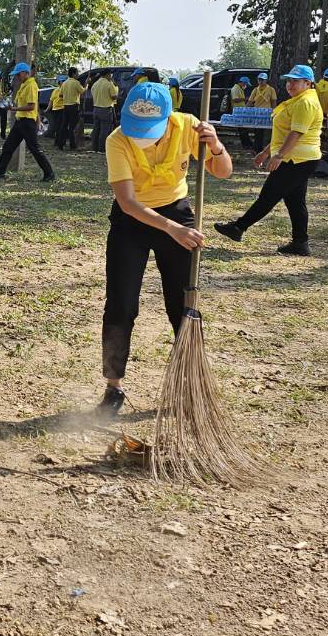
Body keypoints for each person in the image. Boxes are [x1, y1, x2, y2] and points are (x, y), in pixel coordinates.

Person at [96, 80, 232, 415]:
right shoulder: (117, 141)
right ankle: (113, 388)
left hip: (176, 211)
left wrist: (214, 145)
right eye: (136, 129)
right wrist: (170, 229)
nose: (141, 138)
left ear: (167, 118)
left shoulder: (188, 126)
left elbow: (223, 172)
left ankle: (190, 386)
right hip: (132, 222)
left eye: (149, 130)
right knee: (121, 305)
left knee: (183, 305)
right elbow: (127, 203)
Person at [214, 64, 323, 255]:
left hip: (296, 159)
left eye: (295, 81)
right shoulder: (299, 100)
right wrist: (266, 152)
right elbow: (283, 133)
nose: (290, 85)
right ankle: (300, 243)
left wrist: (279, 156)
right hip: (297, 158)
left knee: (269, 196)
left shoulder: (305, 103)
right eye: (288, 81)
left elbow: (296, 133)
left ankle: (239, 227)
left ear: (308, 83)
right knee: (295, 202)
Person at [0, 62, 55, 182]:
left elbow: (31, 106)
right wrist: (10, 105)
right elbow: (24, 104)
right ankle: (0, 172)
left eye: (18, 74)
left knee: (34, 148)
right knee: (8, 146)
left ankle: (49, 173)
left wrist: (14, 109)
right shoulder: (24, 85)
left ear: (25, 73)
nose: (17, 77)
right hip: (20, 121)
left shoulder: (31, 86)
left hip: (27, 122)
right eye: (16, 75)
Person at [89, 69, 118, 152]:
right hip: (106, 109)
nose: (111, 77)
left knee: (96, 130)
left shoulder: (95, 84)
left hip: (96, 109)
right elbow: (114, 97)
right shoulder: (109, 84)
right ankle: (101, 149)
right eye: (110, 75)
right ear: (108, 74)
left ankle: (94, 148)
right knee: (104, 131)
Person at [60, 68, 85, 149]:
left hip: (66, 106)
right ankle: (72, 145)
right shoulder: (76, 83)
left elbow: (60, 95)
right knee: (72, 126)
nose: (78, 75)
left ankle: (61, 144)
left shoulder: (64, 83)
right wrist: (87, 84)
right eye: (77, 73)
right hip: (74, 106)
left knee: (64, 126)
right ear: (73, 74)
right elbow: (82, 91)